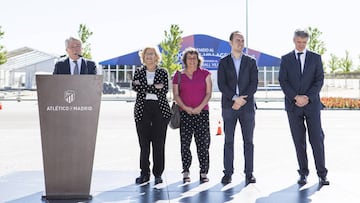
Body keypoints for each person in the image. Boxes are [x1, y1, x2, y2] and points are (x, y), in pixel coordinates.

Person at [278, 29, 329, 186]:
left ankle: (322, 174)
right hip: (293, 107)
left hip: (311, 105)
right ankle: (303, 173)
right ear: (294, 40)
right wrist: (295, 97)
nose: (301, 45)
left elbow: (319, 79)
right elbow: (283, 80)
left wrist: (307, 97)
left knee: (317, 139)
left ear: (307, 42)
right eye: (299, 42)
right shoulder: (285, 59)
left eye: (304, 43)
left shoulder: (315, 58)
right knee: (299, 141)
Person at [217, 31, 258, 185]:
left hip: (247, 108)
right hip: (229, 107)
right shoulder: (223, 62)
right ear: (230, 42)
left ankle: (249, 173)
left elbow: (253, 84)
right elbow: (222, 84)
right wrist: (234, 99)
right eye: (237, 40)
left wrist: (242, 100)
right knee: (228, 141)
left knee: (248, 141)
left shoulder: (251, 62)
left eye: (242, 40)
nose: (240, 43)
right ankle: (227, 173)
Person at [132, 46, 171, 185]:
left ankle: (158, 174)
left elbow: (164, 89)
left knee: (159, 144)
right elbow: (135, 87)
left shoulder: (163, 72)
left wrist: (144, 87)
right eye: (147, 54)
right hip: (142, 110)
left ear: (156, 57)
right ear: (143, 57)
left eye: (152, 54)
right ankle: (144, 173)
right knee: (144, 144)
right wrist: (155, 87)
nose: (149, 56)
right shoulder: (138, 72)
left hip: (160, 110)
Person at [173, 47, 212, 183]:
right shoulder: (178, 75)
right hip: (185, 114)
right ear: (185, 60)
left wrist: (199, 108)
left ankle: (203, 171)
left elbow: (208, 93)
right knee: (185, 144)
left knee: (203, 144)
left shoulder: (205, 74)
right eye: (189, 58)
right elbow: (176, 95)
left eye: (194, 58)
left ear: (198, 60)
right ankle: (186, 171)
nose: (192, 60)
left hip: (202, 113)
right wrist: (186, 108)